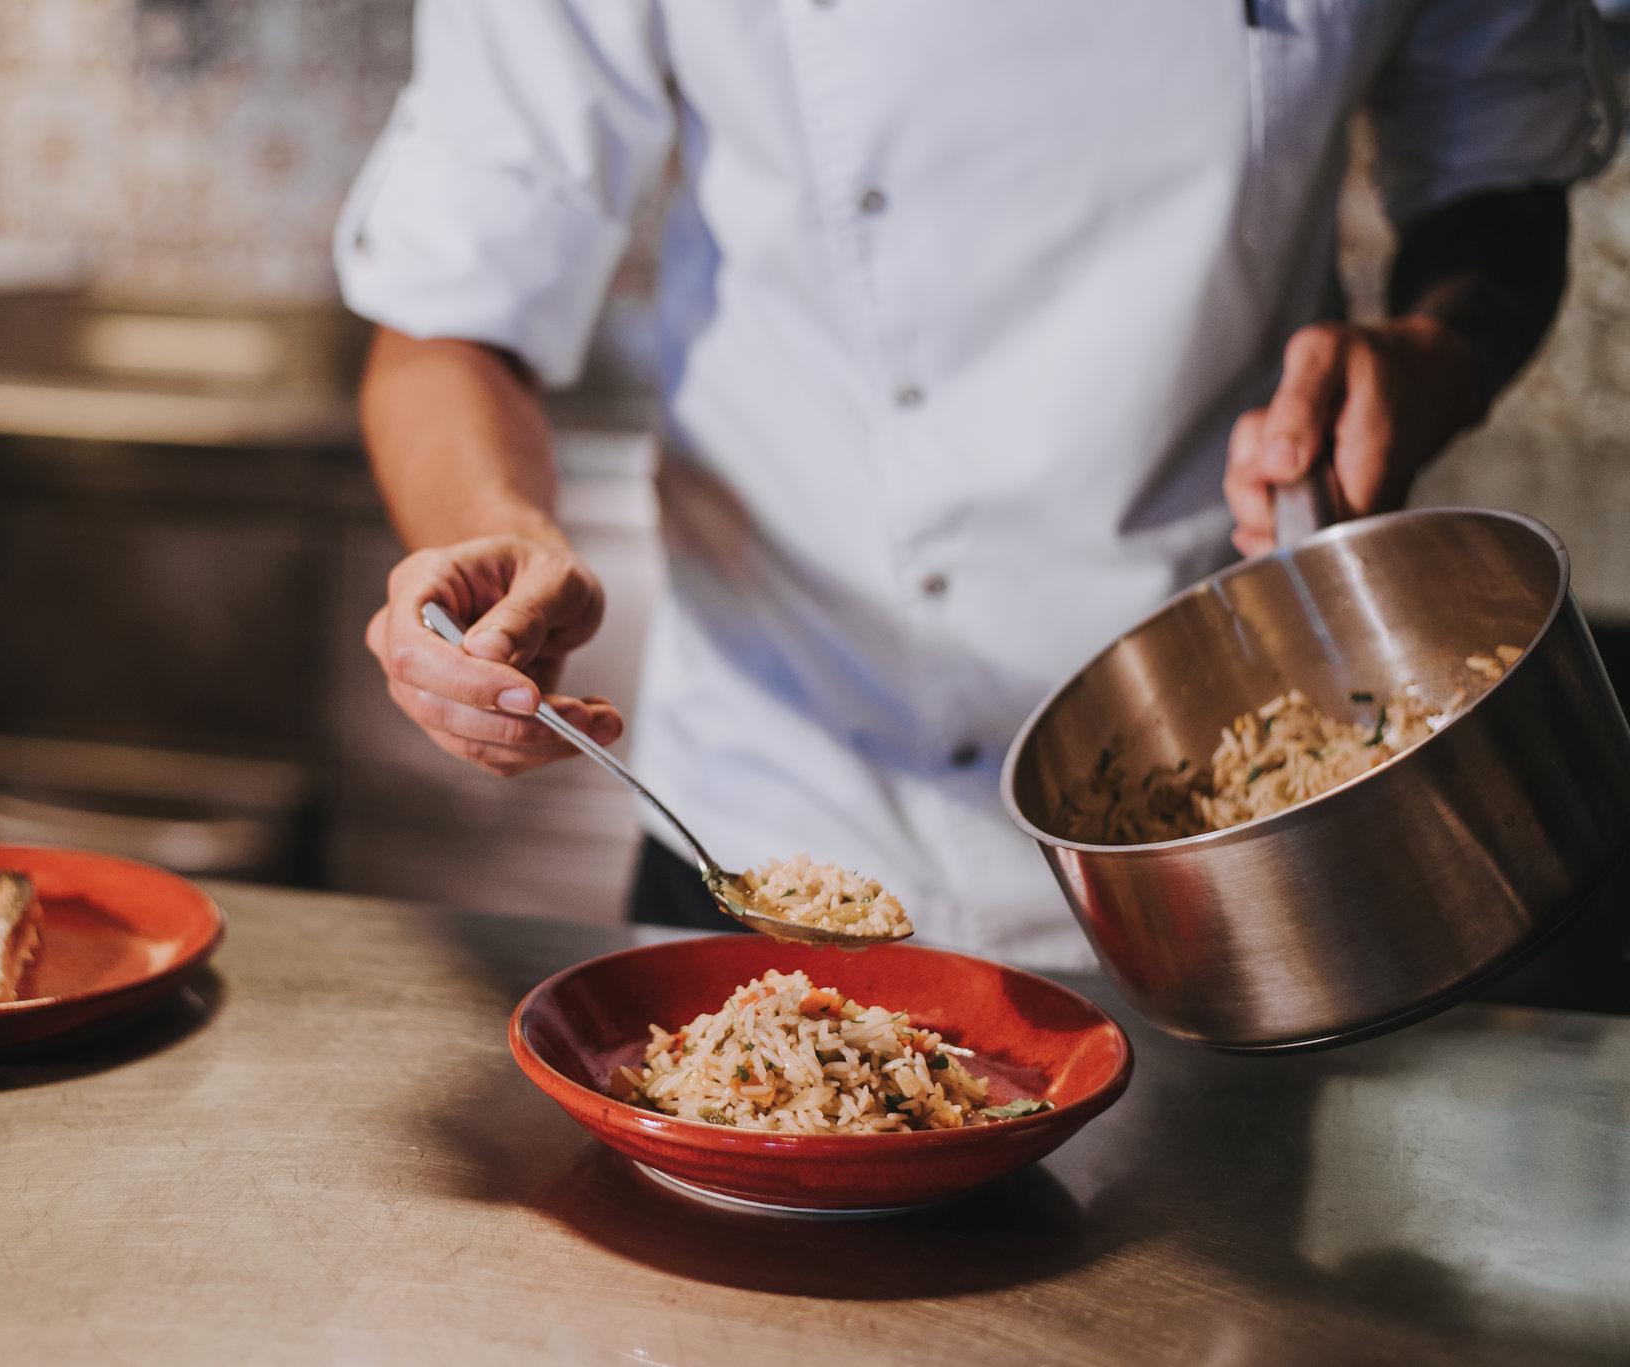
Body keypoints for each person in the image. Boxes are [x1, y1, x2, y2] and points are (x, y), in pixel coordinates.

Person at [335, 2, 1620, 968]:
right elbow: (448, 318)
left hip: (1232, 827)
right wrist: (496, 532)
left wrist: (1433, 354)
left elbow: (1495, 173)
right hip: (780, 802)